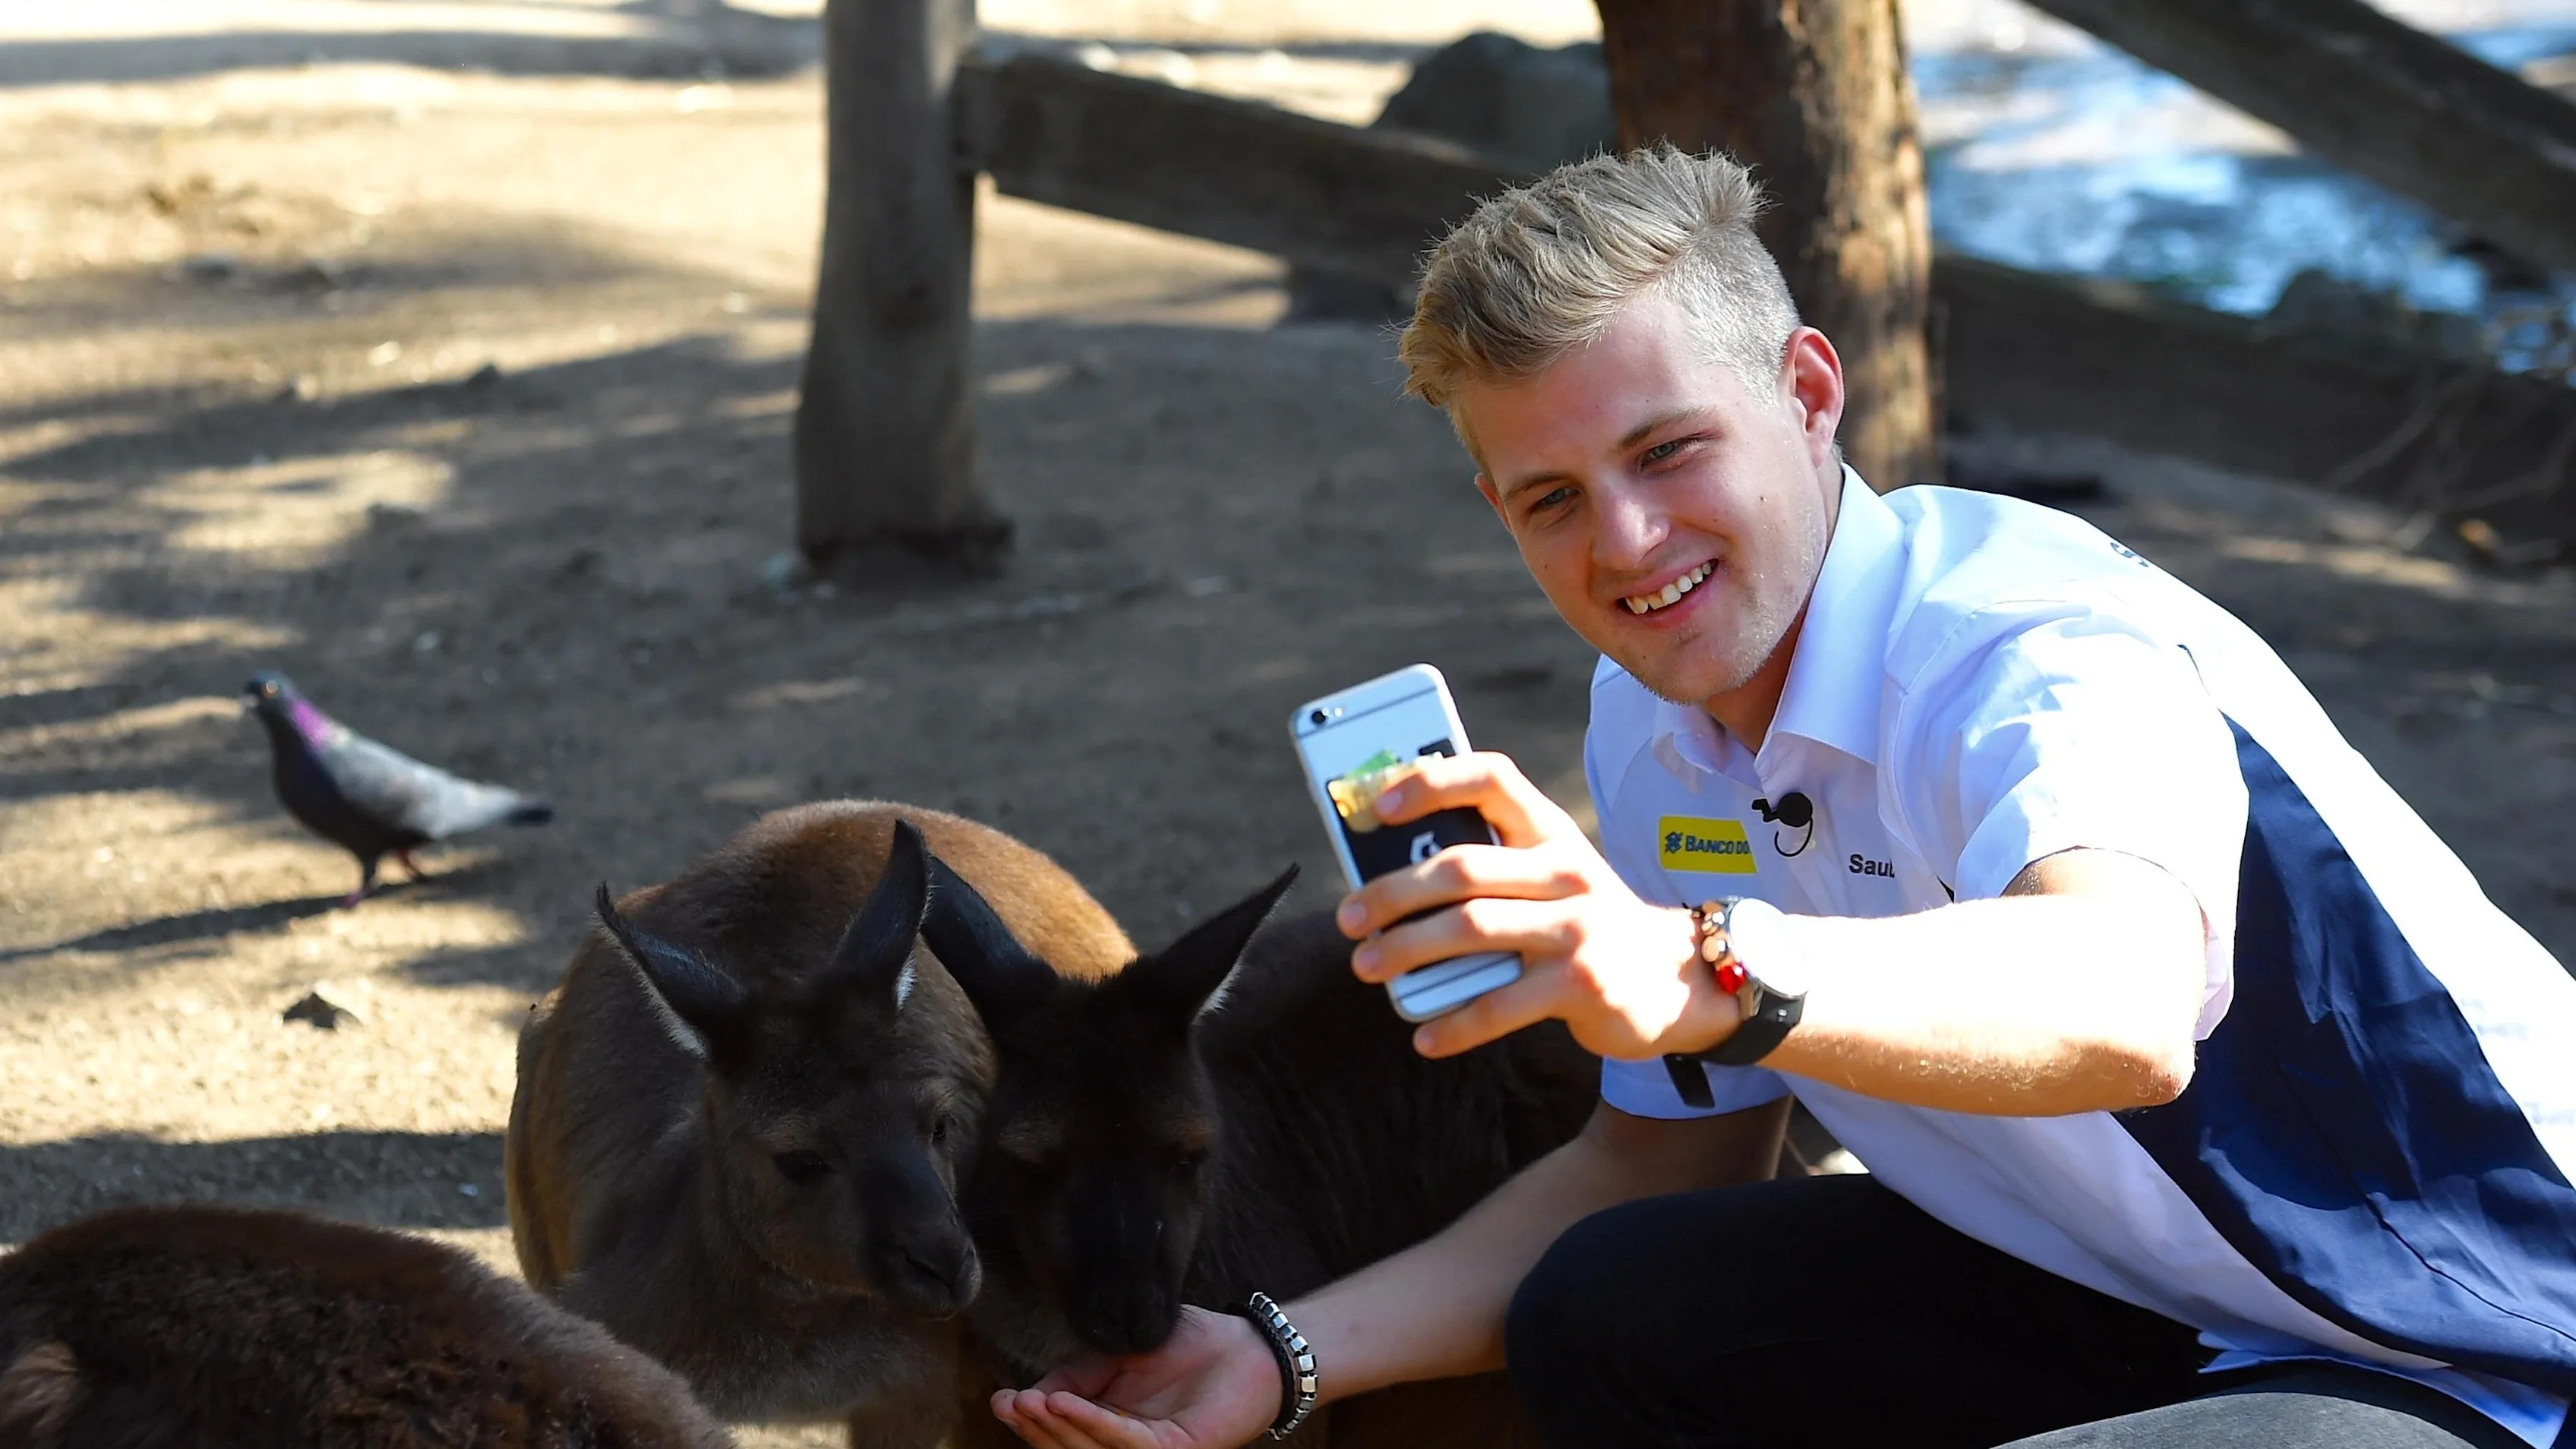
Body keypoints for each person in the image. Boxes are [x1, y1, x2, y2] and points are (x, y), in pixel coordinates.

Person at [987, 145, 2576, 1449]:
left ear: (1811, 391)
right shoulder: (1654, 721)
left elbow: (2123, 995)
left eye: (1669, 450)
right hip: (2146, 1298)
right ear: (1496, 508)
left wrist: (1701, 970)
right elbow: (1660, 1157)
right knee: (1609, 1306)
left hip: (2485, 1332)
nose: (1621, 543)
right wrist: (1279, 1357)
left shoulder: (2026, 645)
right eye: (1550, 498)